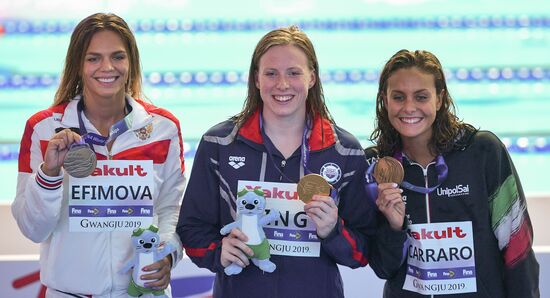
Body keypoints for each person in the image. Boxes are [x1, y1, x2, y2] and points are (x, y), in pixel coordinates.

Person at [176, 26, 399, 297]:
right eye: (271, 73)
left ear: (312, 77)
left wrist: (332, 230)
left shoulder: (344, 152)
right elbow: (191, 228)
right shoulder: (219, 144)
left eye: (294, 73)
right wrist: (218, 252)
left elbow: (362, 252)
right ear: (256, 79)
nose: (282, 84)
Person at [12, 13, 185, 298]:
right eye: (93, 58)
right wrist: (49, 173)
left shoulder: (162, 128)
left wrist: (167, 254)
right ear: (78, 65)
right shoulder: (43, 129)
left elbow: (171, 209)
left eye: (117, 56)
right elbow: (34, 229)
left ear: (131, 63)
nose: (107, 67)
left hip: (142, 293)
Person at [366, 49, 540, 297]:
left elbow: (517, 249)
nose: (409, 107)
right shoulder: (377, 167)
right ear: (385, 100)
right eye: (398, 97)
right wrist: (395, 228)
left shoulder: (482, 153)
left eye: (421, 96)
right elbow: (384, 267)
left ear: (439, 99)